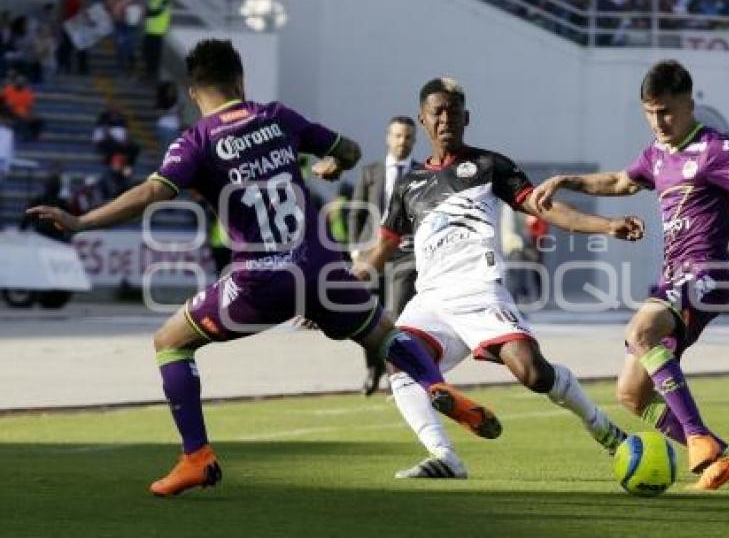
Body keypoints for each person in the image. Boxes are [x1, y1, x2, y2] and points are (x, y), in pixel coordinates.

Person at [27, 39, 501, 497]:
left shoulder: (196, 140)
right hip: (321, 264)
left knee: (170, 342)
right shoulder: (276, 116)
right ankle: (435, 384)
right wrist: (331, 165)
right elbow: (351, 151)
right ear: (240, 79)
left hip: (261, 276)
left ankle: (197, 457)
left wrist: (83, 220)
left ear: (195, 92)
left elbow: (152, 193)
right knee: (382, 333)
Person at [531, 60, 729, 491]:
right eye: (650, 112)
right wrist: (565, 180)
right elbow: (619, 182)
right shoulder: (656, 155)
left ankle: (695, 437)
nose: (658, 122)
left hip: (710, 274)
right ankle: (723, 455)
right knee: (632, 395)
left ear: (689, 104)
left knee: (641, 331)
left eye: (667, 111)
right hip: (674, 279)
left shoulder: (714, 148)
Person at [353, 78, 644, 478]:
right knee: (397, 359)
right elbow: (382, 250)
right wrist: (333, 288)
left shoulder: (490, 166)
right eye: (436, 112)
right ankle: (445, 457)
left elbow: (544, 208)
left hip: (479, 293)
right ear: (423, 119)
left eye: (453, 111)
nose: (445, 118)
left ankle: (602, 428)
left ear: (466, 117)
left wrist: (606, 225)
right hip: (431, 301)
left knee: (533, 374)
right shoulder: (409, 185)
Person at [349, 116, 420, 395]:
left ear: (414, 141)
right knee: (367, 315)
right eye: (398, 136)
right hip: (369, 255)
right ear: (388, 138)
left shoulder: (422, 174)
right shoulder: (370, 172)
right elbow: (356, 212)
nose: (403, 142)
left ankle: (396, 373)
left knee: (396, 314)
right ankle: (372, 368)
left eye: (408, 137)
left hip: (406, 256)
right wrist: (356, 251)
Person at [143, 0, 172, 81]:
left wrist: (147, 12)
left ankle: (152, 74)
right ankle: (148, 73)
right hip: (149, 31)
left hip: (158, 32)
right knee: (146, 52)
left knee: (154, 54)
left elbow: (158, 11)